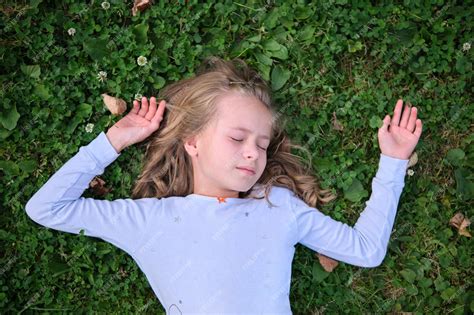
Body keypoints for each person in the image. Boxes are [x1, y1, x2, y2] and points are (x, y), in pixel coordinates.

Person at [25, 56, 422, 313]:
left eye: (262, 145)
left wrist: (392, 161)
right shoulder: (147, 220)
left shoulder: (277, 207)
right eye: (237, 138)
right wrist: (116, 139)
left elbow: (366, 251)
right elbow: (46, 208)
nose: (253, 153)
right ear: (192, 141)